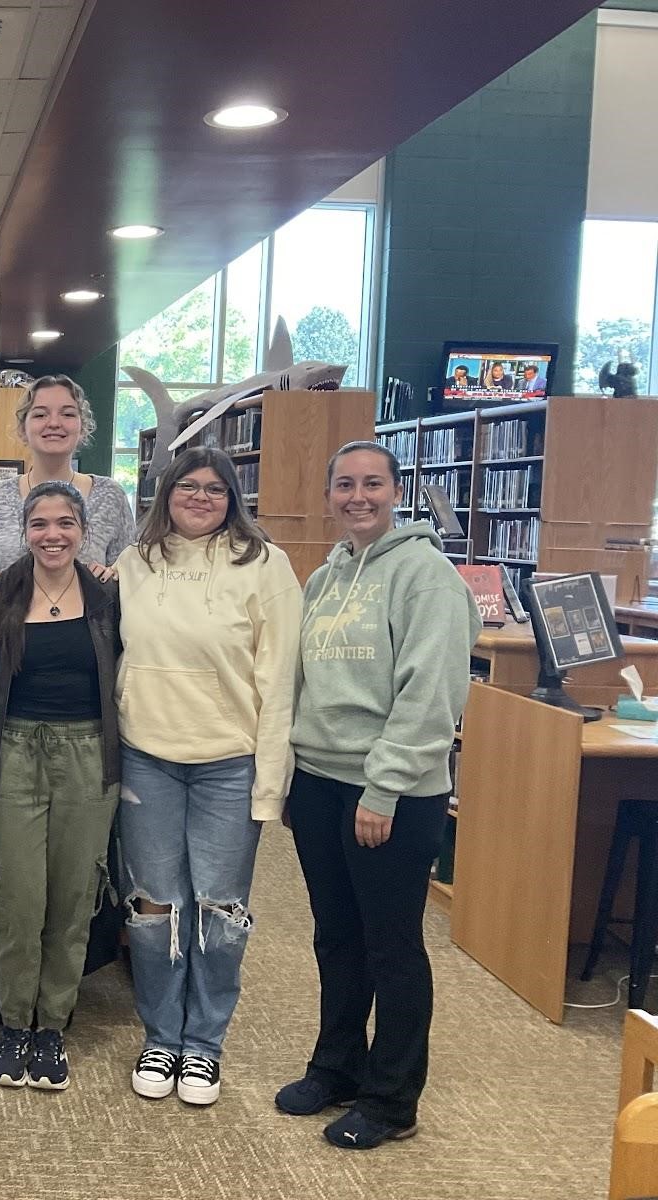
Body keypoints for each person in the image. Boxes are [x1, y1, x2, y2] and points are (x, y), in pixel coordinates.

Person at [275, 440, 480, 1149]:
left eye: (372, 484)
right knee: (337, 936)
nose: (357, 496)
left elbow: (432, 694)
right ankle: (337, 1065)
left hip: (390, 789)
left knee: (391, 944)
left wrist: (386, 786)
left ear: (397, 492)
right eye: (344, 485)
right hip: (320, 781)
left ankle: (392, 1100)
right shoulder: (324, 578)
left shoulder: (427, 577)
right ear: (329, 494)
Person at [113, 447, 301, 1106]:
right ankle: (161, 1037)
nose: (199, 497)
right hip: (146, 756)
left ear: (233, 499)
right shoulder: (137, 562)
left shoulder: (266, 565)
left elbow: (279, 682)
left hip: (229, 761)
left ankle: (204, 1047)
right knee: (155, 904)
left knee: (220, 908)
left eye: (214, 489)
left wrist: (270, 783)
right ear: (165, 494)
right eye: (187, 486)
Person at [0, 481, 122, 1091]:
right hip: (13, 754)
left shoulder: (109, 596)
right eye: (39, 523)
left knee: (72, 893)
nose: (52, 535)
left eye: (65, 523)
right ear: (24, 530)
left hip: (89, 755)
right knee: (17, 896)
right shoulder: (0, 592)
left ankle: (53, 1026)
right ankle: (13, 1025)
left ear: (84, 530)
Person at [0, 375, 135, 598]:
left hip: (86, 631)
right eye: (40, 414)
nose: (54, 423)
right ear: (22, 429)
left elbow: (130, 579)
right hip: (6, 630)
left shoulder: (109, 496)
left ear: (83, 426)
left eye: (67, 414)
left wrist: (110, 578)